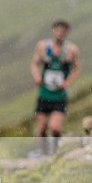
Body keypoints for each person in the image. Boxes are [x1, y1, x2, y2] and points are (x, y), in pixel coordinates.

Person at [30, 20, 81, 156]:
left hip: (60, 95)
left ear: (67, 33)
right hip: (44, 92)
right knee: (41, 129)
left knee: (54, 127)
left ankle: (58, 150)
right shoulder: (42, 47)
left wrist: (67, 82)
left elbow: (76, 69)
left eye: (63, 31)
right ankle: (44, 153)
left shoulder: (71, 50)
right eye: (58, 30)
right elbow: (34, 64)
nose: (60, 34)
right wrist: (36, 76)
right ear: (53, 31)